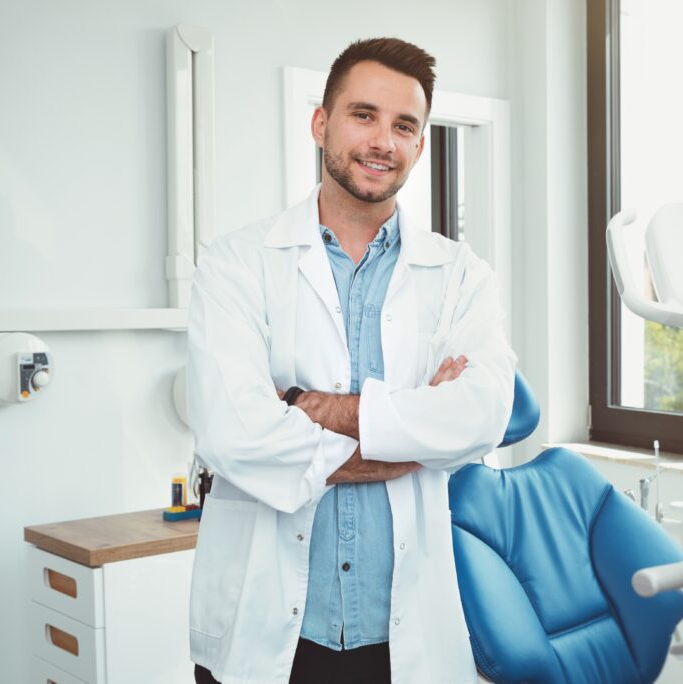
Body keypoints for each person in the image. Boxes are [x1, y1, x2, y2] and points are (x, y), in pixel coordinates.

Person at [186, 37, 515, 684]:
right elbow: (233, 434)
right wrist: (419, 434)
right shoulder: (236, 264)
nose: (382, 142)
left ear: (420, 145)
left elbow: (482, 415)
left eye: (403, 126)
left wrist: (309, 410)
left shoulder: (459, 276)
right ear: (321, 123)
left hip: (402, 640)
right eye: (363, 115)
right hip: (267, 637)